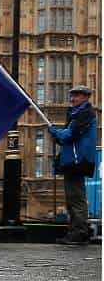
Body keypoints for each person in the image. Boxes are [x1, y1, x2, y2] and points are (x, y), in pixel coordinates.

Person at [49, 85, 98, 246]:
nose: (72, 99)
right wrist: (57, 135)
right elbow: (66, 137)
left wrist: (55, 132)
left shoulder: (85, 114)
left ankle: (80, 232)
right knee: (72, 197)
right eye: (71, 96)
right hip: (71, 160)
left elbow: (70, 134)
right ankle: (75, 231)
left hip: (79, 160)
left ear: (85, 97)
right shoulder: (76, 114)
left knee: (76, 198)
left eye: (76, 96)